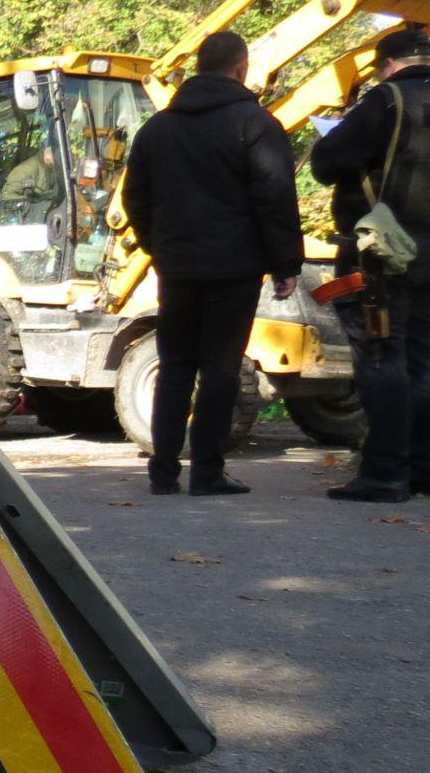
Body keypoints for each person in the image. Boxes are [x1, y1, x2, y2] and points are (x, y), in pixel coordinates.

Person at [124, 30, 301, 496]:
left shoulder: (157, 129)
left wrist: (157, 246)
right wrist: (286, 264)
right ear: (241, 67)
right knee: (220, 368)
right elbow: (275, 198)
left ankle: (162, 472)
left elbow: (134, 198)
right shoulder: (256, 123)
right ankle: (206, 472)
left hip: (177, 266)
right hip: (235, 268)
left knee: (175, 365)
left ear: (199, 67)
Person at [309, 25, 430, 502]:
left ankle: (383, 473)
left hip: (381, 255)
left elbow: (325, 163)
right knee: (423, 359)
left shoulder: (385, 101)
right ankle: (421, 467)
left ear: (386, 65)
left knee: (382, 357)